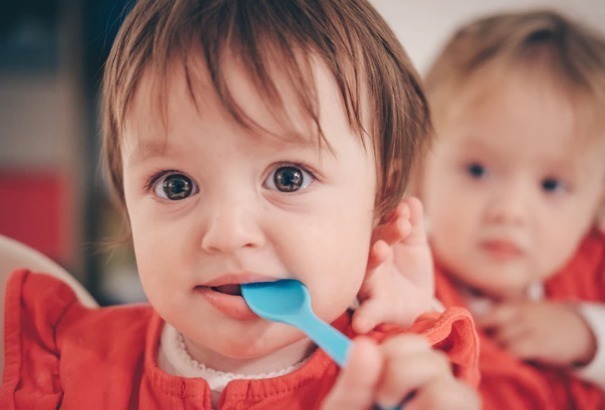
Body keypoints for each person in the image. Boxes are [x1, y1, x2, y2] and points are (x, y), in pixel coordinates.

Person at [0, 0, 480, 408]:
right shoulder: (62, 361)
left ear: (381, 201)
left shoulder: (401, 383)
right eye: (175, 185)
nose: (228, 234)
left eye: (288, 179)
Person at [417, 9, 605, 409]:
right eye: (478, 170)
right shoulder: (407, 289)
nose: (511, 211)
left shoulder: (593, 269)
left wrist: (588, 336)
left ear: (597, 201)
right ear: (419, 167)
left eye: (552, 185)